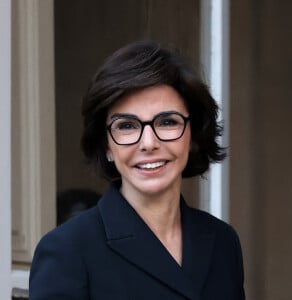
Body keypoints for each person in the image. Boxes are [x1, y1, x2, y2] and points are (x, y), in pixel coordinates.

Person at [29, 40, 245, 299]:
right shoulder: (68, 249)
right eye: (127, 126)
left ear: (194, 137)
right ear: (107, 145)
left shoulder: (222, 241)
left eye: (167, 122)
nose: (149, 143)